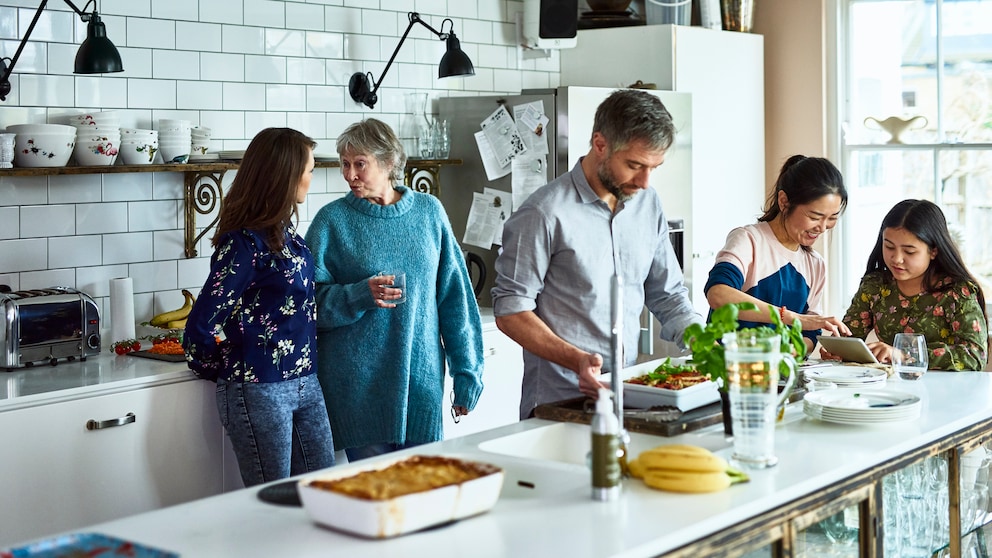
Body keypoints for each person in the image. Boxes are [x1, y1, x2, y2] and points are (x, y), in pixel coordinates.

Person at [491, 89, 705, 420]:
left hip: (628, 395)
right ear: (600, 144)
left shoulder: (648, 204)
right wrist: (576, 359)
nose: (645, 181)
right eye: (634, 165)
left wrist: (705, 341)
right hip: (560, 402)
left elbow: (669, 295)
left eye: (654, 167)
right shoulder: (544, 212)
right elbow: (511, 310)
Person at [305, 118, 484, 462]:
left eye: (360, 164)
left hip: (423, 385)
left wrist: (467, 371)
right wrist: (358, 295)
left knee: (423, 496)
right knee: (376, 499)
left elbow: (456, 299)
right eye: (345, 164)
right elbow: (305, 307)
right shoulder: (331, 222)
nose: (349, 175)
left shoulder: (430, 213)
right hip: (358, 391)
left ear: (388, 163)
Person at [182, 127, 335, 487]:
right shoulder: (243, 245)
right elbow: (199, 329)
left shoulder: (289, 237)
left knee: (325, 493)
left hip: (306, 382)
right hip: (259, 391)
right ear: (286, 174)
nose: (311, 178)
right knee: (273, 503)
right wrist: (230, 367)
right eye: (309, 170)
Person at [704, 155, 851, 355]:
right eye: (814, 217)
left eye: (832, 218)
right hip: (730, 368)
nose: (823, 227)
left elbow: (810, 332)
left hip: (780, 374)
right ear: (784, 202)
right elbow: (718, 293)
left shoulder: (816, 264)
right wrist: (789, 317)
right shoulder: (749, 240)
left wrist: (789, 351)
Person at [824, 199, 988, 370]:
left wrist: (903, 354)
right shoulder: (875, 286)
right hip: (890, 387)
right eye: (889, 247)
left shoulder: (956, 292)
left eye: (909, 251)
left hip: (946, 390)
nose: (897, 259)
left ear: (933, 251)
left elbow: (974, 355)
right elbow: (850, 337)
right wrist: (839, 350)